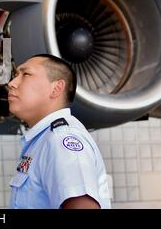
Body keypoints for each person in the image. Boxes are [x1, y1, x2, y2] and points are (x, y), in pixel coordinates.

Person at [7, 54, 111, 209]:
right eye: (15, 75)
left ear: (56, 89)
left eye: (26, 74)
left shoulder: (62, 139)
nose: (12, 83)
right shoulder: (43, 140)